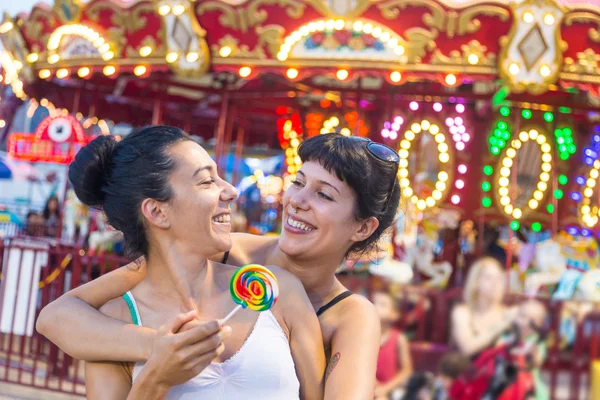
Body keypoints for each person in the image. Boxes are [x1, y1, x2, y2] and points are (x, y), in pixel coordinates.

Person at [37, 133, 401, 398]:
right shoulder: (223, 252)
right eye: (298, 183)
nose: (297, 202)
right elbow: (59, 315)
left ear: (362, 227)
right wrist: (161, 350)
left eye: (323, 195)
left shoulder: (347, 315)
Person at [451, 257, 518, 358]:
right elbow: (467, 348)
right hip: (467, 371)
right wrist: (502, 324)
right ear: (475, 283)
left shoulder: (509, 313)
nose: (495, 283)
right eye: (488, 278)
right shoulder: (462, 312)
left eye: (499, 278)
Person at [374, 290, 413, 400]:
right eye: (374, 302)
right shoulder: (363, 335)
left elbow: (407, 370)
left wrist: (385, 388)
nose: (375, 306)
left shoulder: (399, 339)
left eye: (382, 304)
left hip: (388, 391)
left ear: (394, 315)